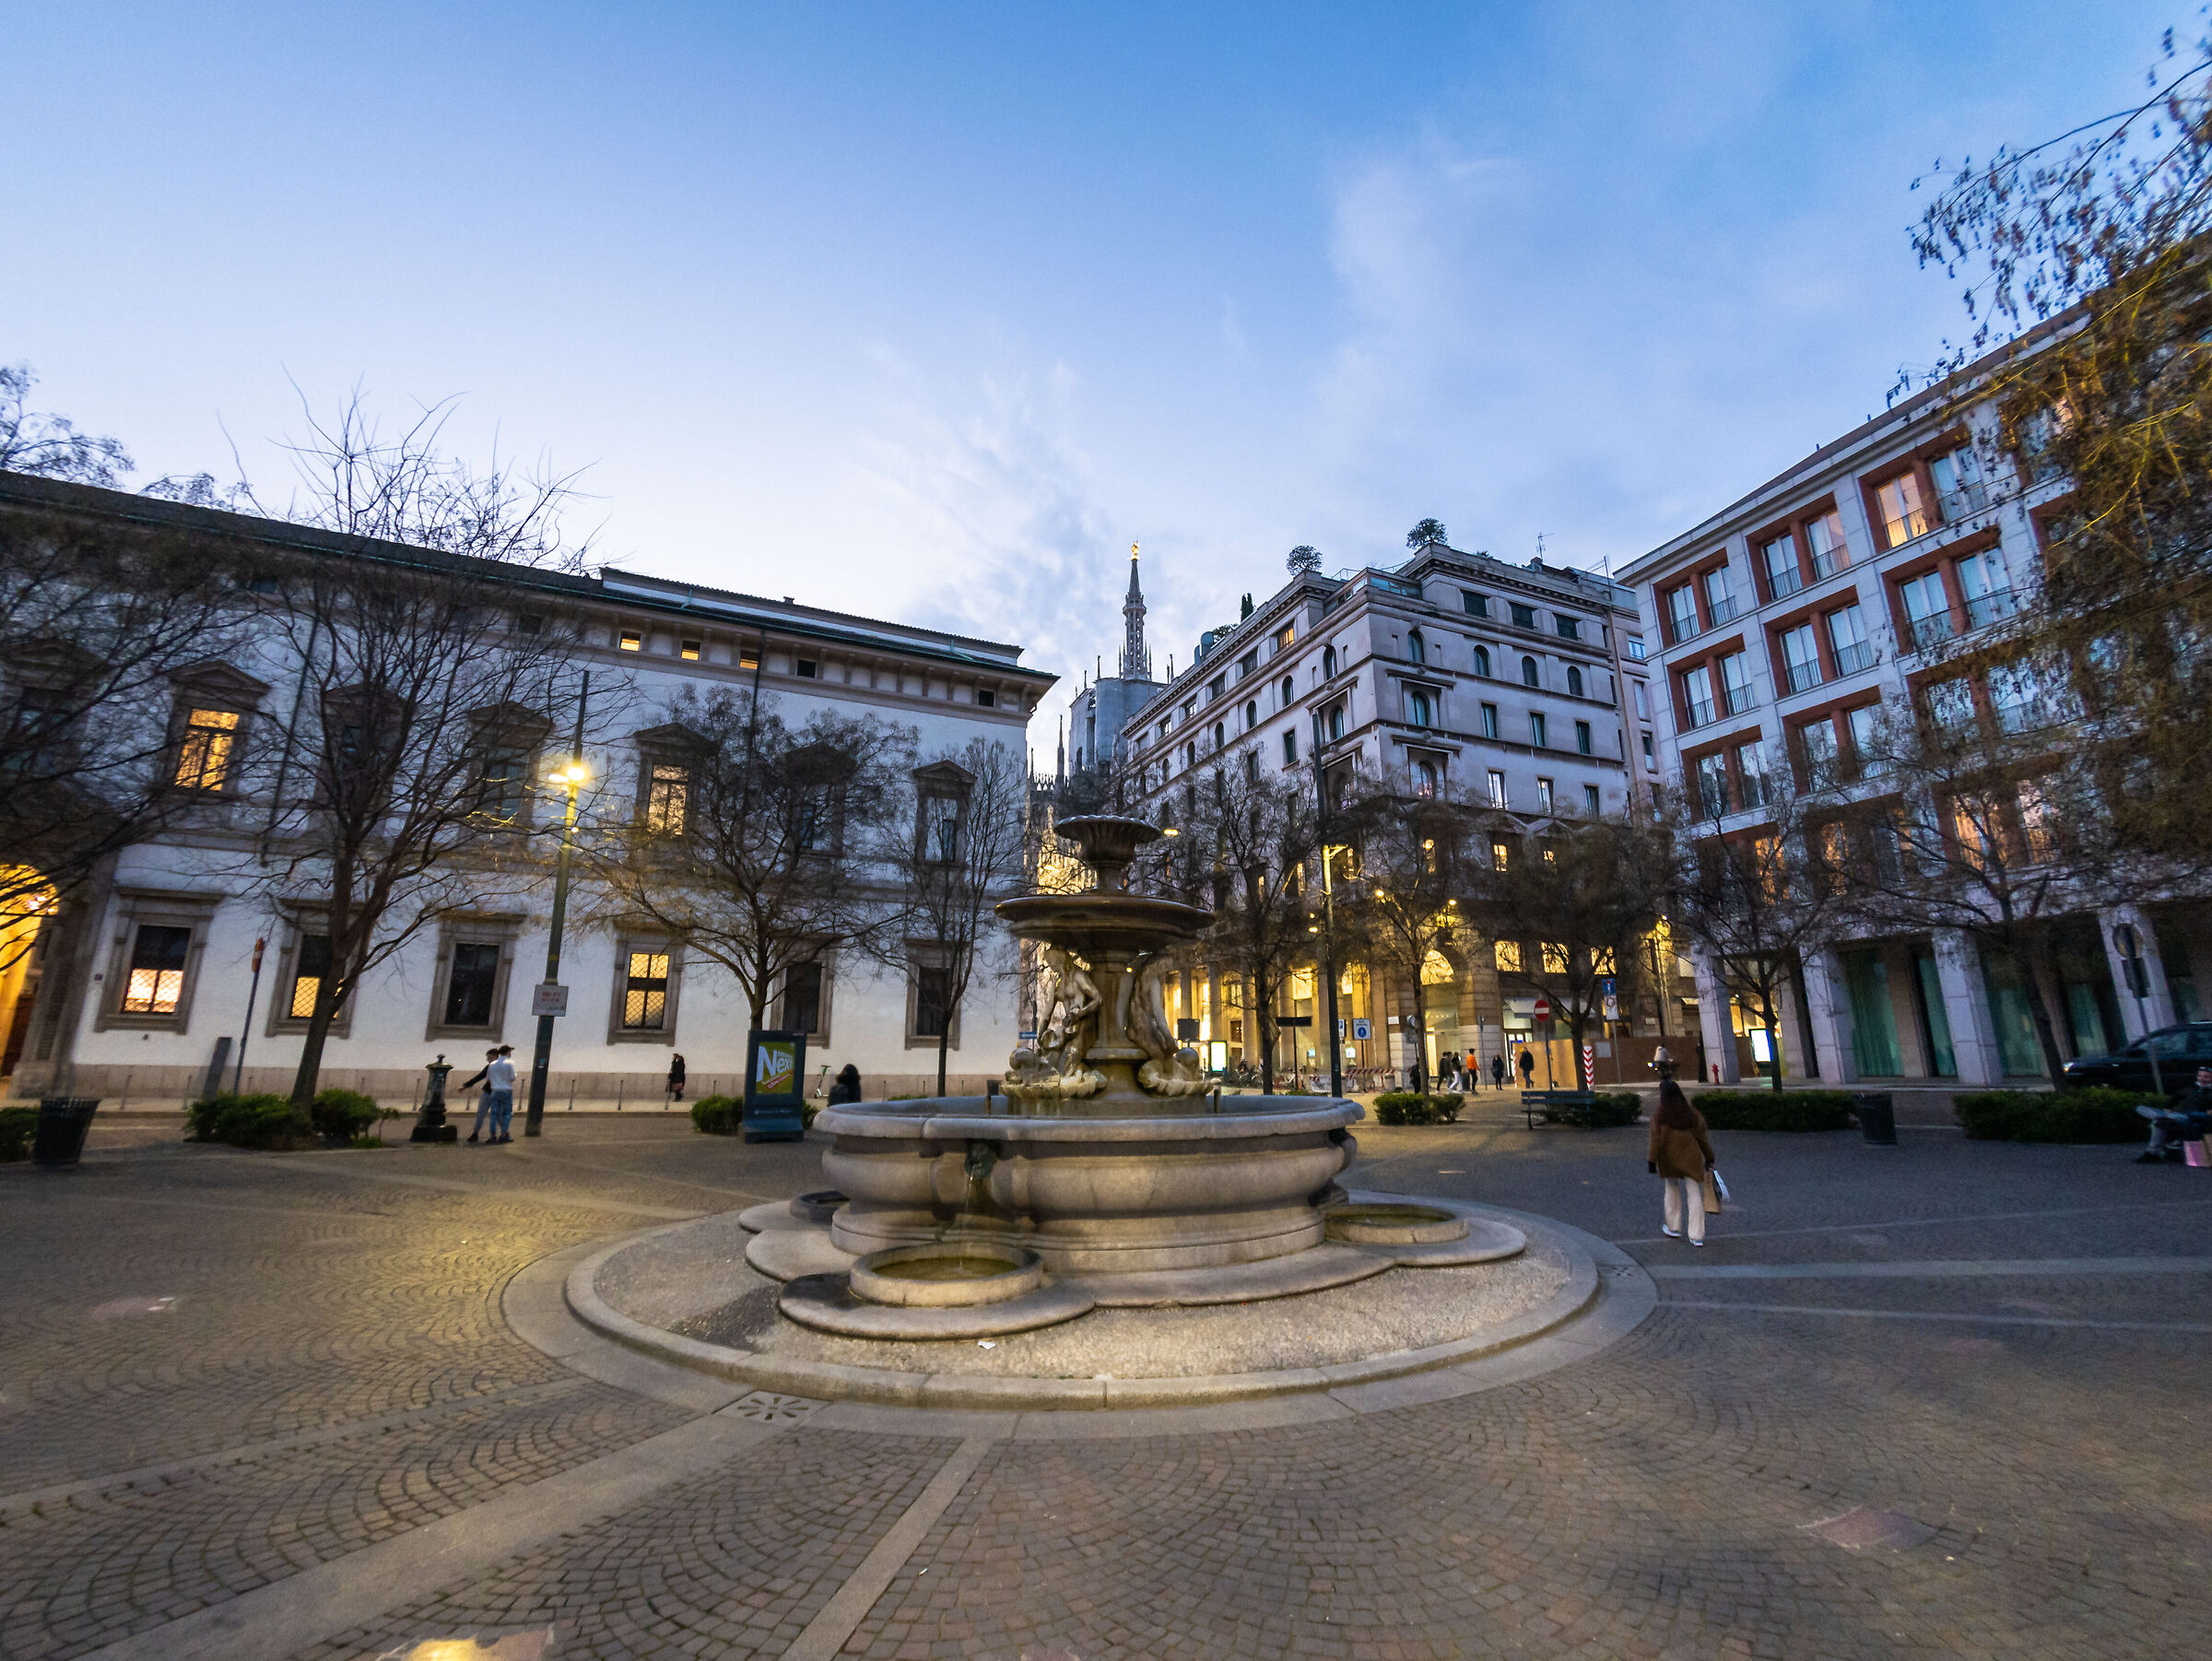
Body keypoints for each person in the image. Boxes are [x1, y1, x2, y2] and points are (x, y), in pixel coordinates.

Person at [1648, 1078, 1718, 1246]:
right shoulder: (1691, 1114)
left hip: (1669, 1158)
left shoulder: (1659, 1114)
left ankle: (1673, 1227)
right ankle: (1696, 1235)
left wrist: (1652, 1160)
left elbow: (1655, 1140)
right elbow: (1702, 1138)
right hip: (1691, 1158)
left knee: (1671, 1188)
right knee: (1694, 1192)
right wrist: (1709, 1157)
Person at [2136, 1066, 2212, 1162]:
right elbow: (2172, 1100)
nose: (2201, 1079)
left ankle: (2152, 1153)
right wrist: (2167, 1110)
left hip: (2189, 1117)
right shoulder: (2190, 1088)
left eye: (2206, 1077)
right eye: (2199, 1076)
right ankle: (2163, 1117)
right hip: (2174, 1115)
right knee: (2140, 1108)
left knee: (2157, 1123)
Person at [457, 1047, 499, 1144]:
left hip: (495, 1094)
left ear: (495, 1057)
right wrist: (465, 1085)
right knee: (483, 1114)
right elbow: (479, 1077)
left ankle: (490, 1135)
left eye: (489, 1057)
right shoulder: (490, 1067)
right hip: (489, 1092)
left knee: (490, 1115)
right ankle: (476, 1133)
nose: (487, 1059)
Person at [486, 1045, 518, 1144]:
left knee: (493, 1114)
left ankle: (492, 1136)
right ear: (507, 1052)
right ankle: (503, 1135)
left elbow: (488, 1079)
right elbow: (513, 1077)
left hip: (495, 1090)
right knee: (507, 1113)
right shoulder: (510, 1063)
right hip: (506, 1090)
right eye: (510, 1051)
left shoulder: (492, 1064)